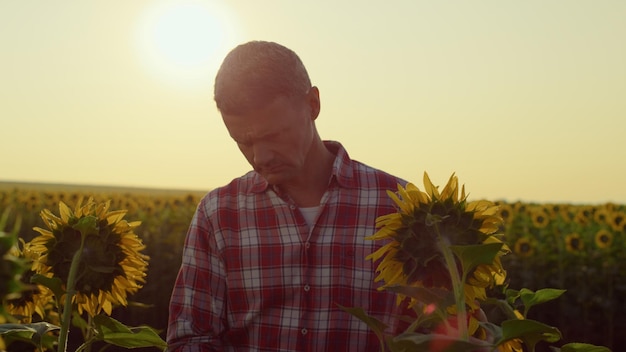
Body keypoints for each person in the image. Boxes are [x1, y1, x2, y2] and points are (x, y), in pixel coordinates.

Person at [167, 40, 408, 351]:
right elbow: (191, 338)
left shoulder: (398, 206)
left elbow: (441, 330)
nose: (260, 156)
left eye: (274, 135)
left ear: (313, 104)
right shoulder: (219, 214)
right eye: (243, 142)